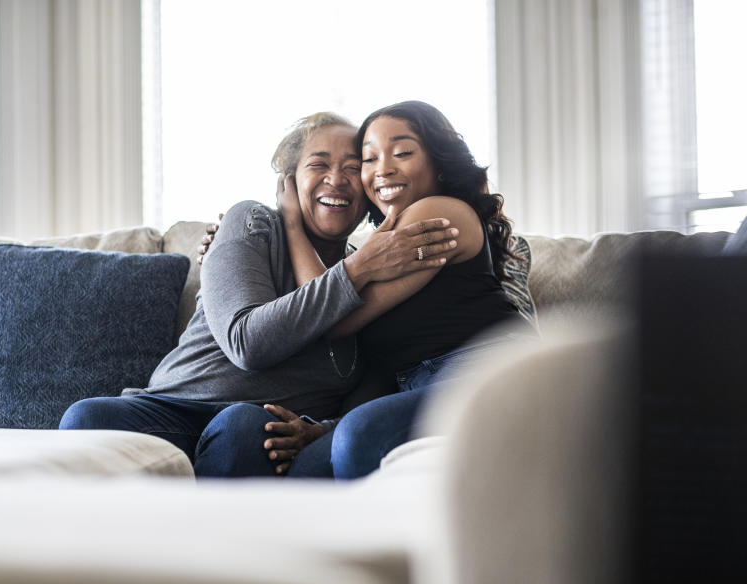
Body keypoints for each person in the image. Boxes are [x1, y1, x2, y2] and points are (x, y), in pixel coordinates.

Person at [58, 112, 459, 475]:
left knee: (242, 427)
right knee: (85, 418)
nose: (336, 178)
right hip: (173, 407)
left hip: (258, 426)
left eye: (353, 168)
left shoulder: (380, 265)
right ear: (288, 181)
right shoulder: (252, 223)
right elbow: (247, 342)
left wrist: (324, 430)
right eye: (319, 164)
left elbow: (379, 376)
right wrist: (356, 269)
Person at [204, 101, 532, 479]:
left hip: (486, 373)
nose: (383, 169)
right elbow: (377, 364)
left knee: (360, 436)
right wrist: (325, 427)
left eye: (403, 153)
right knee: (304, 471)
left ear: (439, 162)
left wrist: (292, 223)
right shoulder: (381, 249)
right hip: (421, 387)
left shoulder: (439, 213)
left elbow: (334, 315)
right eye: (370, 159)